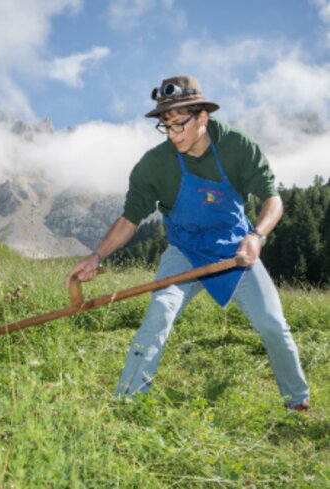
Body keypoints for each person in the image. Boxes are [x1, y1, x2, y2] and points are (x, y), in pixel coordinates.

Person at [66, 75, 310, 412]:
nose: (173, 135)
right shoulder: (154, 166)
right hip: (184, 252)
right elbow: (129, 219)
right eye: (166, 127)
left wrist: (257, 236)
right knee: (158, 314)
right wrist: (96, 255)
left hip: (235, 250)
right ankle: (126, 402)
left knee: (272, 323)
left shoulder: (237, 147)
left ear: (203, 117)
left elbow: (274, 200)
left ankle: (297, 403)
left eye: (180, 124)